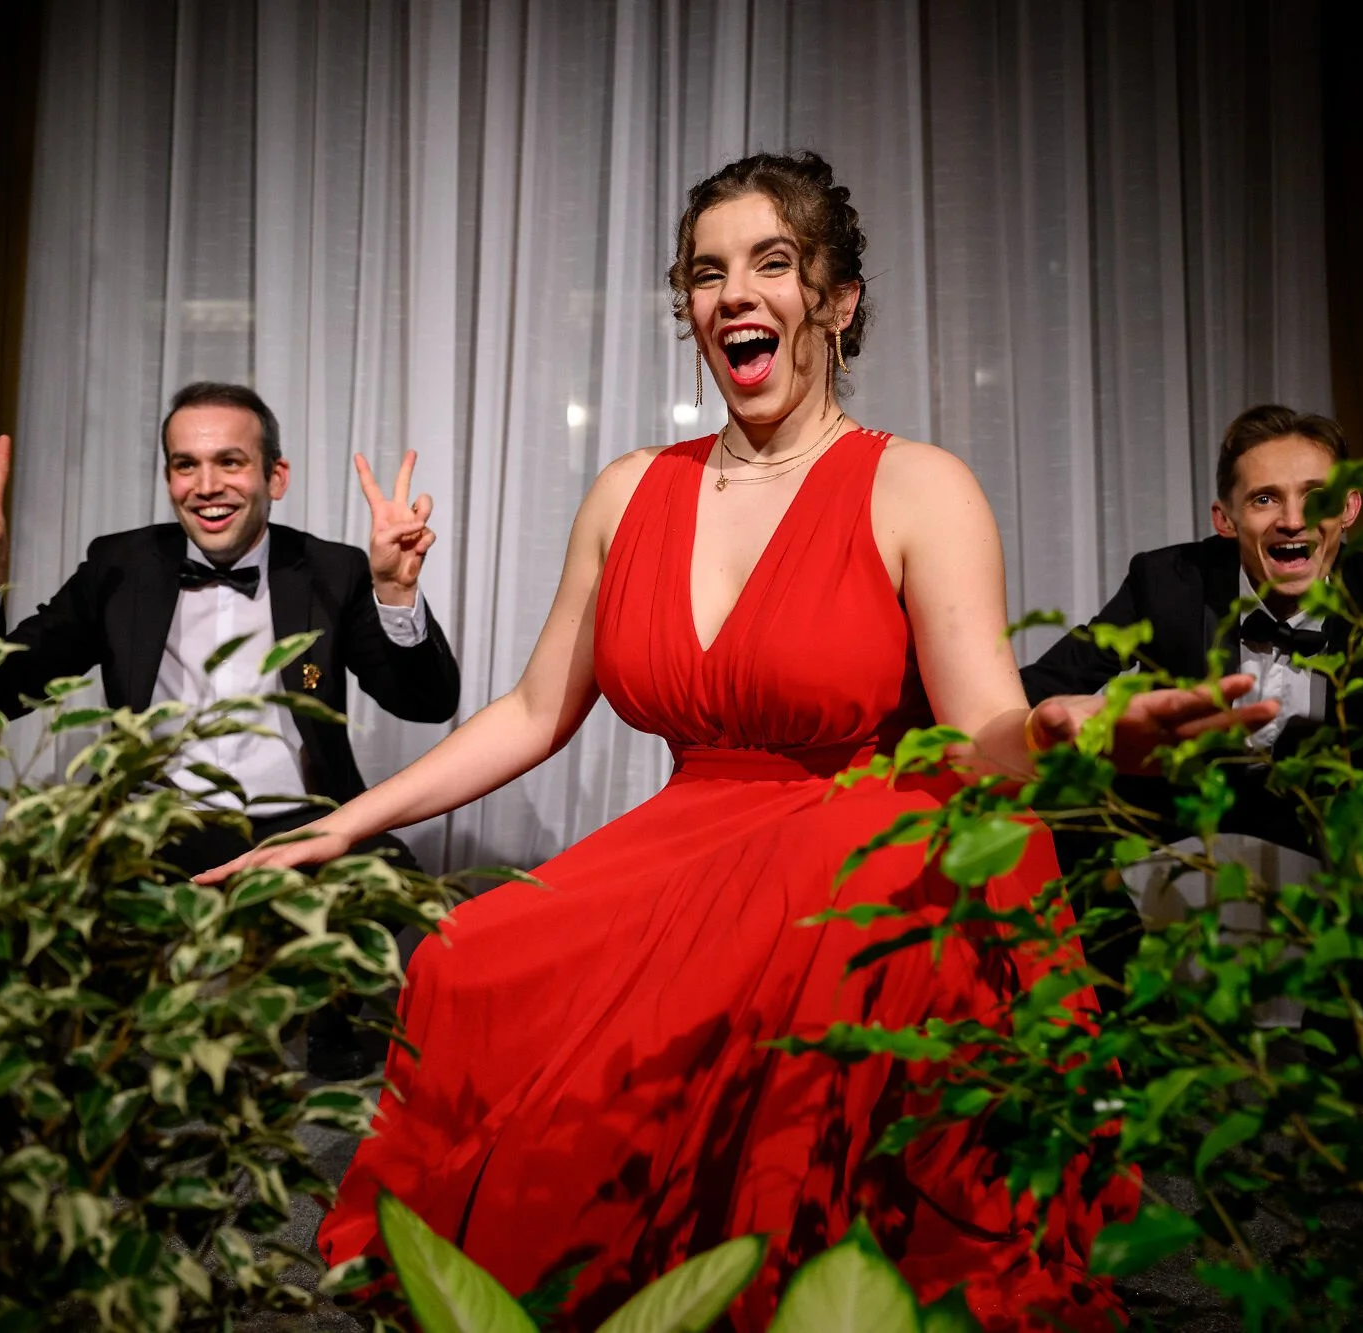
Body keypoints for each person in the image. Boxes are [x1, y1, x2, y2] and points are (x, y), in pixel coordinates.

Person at [198, 153, 1275, 1331]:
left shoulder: (916, 486)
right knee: (466, 956)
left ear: (836, 300)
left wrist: (1078, 735)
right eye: (706, 273)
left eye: (771, 262)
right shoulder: (628, 491)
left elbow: (981, 737)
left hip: (866, 838)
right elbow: (533, 710)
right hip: (698, 831)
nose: (732, 293)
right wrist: (339, 827)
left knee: (800, 970)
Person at [0, 381, 462, 1074]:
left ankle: (331, 1019)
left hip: (301, 820)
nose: (206, 486)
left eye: (230, 462)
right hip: (158, 820)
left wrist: (395, 593)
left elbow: (425, 702)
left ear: (275, 476)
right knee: (49, 921)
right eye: (186, 464)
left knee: (405, 894)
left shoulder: (332, 569)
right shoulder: (120, 566)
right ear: (169, 477)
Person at [1021, 405, 1363, 847]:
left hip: (1327, 789)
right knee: (1042, 829)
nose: (1293, 521)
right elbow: (1049, 681)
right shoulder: (1167, 582)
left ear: (1348, 507)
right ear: (1225, 518)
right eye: (1265, 499)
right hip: (1178, 783)